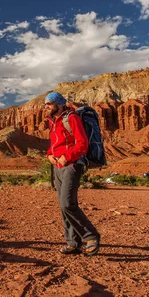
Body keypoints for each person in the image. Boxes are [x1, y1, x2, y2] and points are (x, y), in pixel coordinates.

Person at [45, 91, 101, 255]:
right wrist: (49, 155)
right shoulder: (53, 122)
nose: (46, 107)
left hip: (73, 164)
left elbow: (82, 144)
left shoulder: (72, 118)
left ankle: (91, 236)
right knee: (64, 207)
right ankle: (73, 243)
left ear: (59, 103)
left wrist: (66, 158)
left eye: (49, 104)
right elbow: (55, 145)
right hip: (58, 166)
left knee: (67, 203)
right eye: (45, 104)